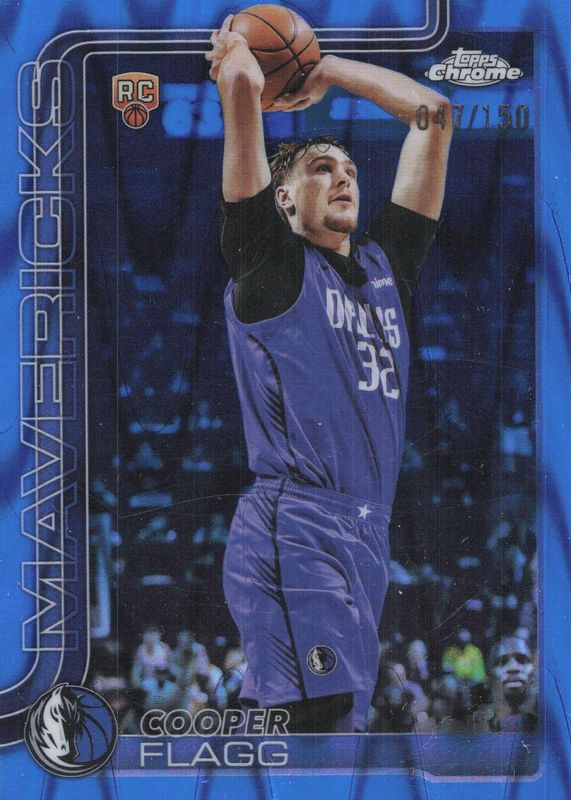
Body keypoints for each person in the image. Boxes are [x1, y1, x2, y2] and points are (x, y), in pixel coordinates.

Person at [206, 15, 452, 733]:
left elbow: (433, 116)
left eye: (349, 170)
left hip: (364, 531)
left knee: (315, 724)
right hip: (298, 525)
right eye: (320, 168)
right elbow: (242, 91)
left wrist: (330, 69)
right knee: (326, 717)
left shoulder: (384, 266)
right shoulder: (271, 264)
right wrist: (241, 63)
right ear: (283, 200)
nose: (343, 176)